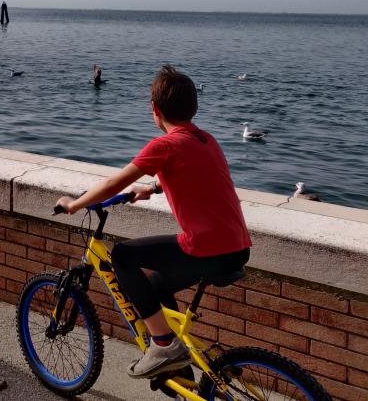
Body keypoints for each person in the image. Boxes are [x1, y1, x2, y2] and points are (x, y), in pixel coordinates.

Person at [55, 65, 251, 378]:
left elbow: (114, 184)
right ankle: (178, 370)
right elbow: (194, 175)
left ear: (155, 110)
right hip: (238, 247)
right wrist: (153, 187)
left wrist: (74, 205)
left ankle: (163, 344)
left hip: (206, 247)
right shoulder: (205, 140)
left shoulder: (164, 145)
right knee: (156, 284)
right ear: (194, 108)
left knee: (123, 256)